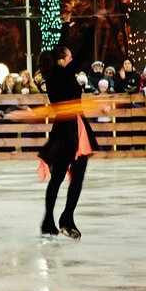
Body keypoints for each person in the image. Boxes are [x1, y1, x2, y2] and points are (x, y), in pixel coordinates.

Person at [35, 41, 99, 239]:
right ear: (62, 61)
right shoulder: (58, 75)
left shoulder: (57, 75)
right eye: (69, 58)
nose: (72, 61)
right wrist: (90, 29)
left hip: (74, 129)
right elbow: (82, 55)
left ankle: (63, 218)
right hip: (68, 132)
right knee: (61, 179)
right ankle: (54, 220)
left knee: (71, 178)